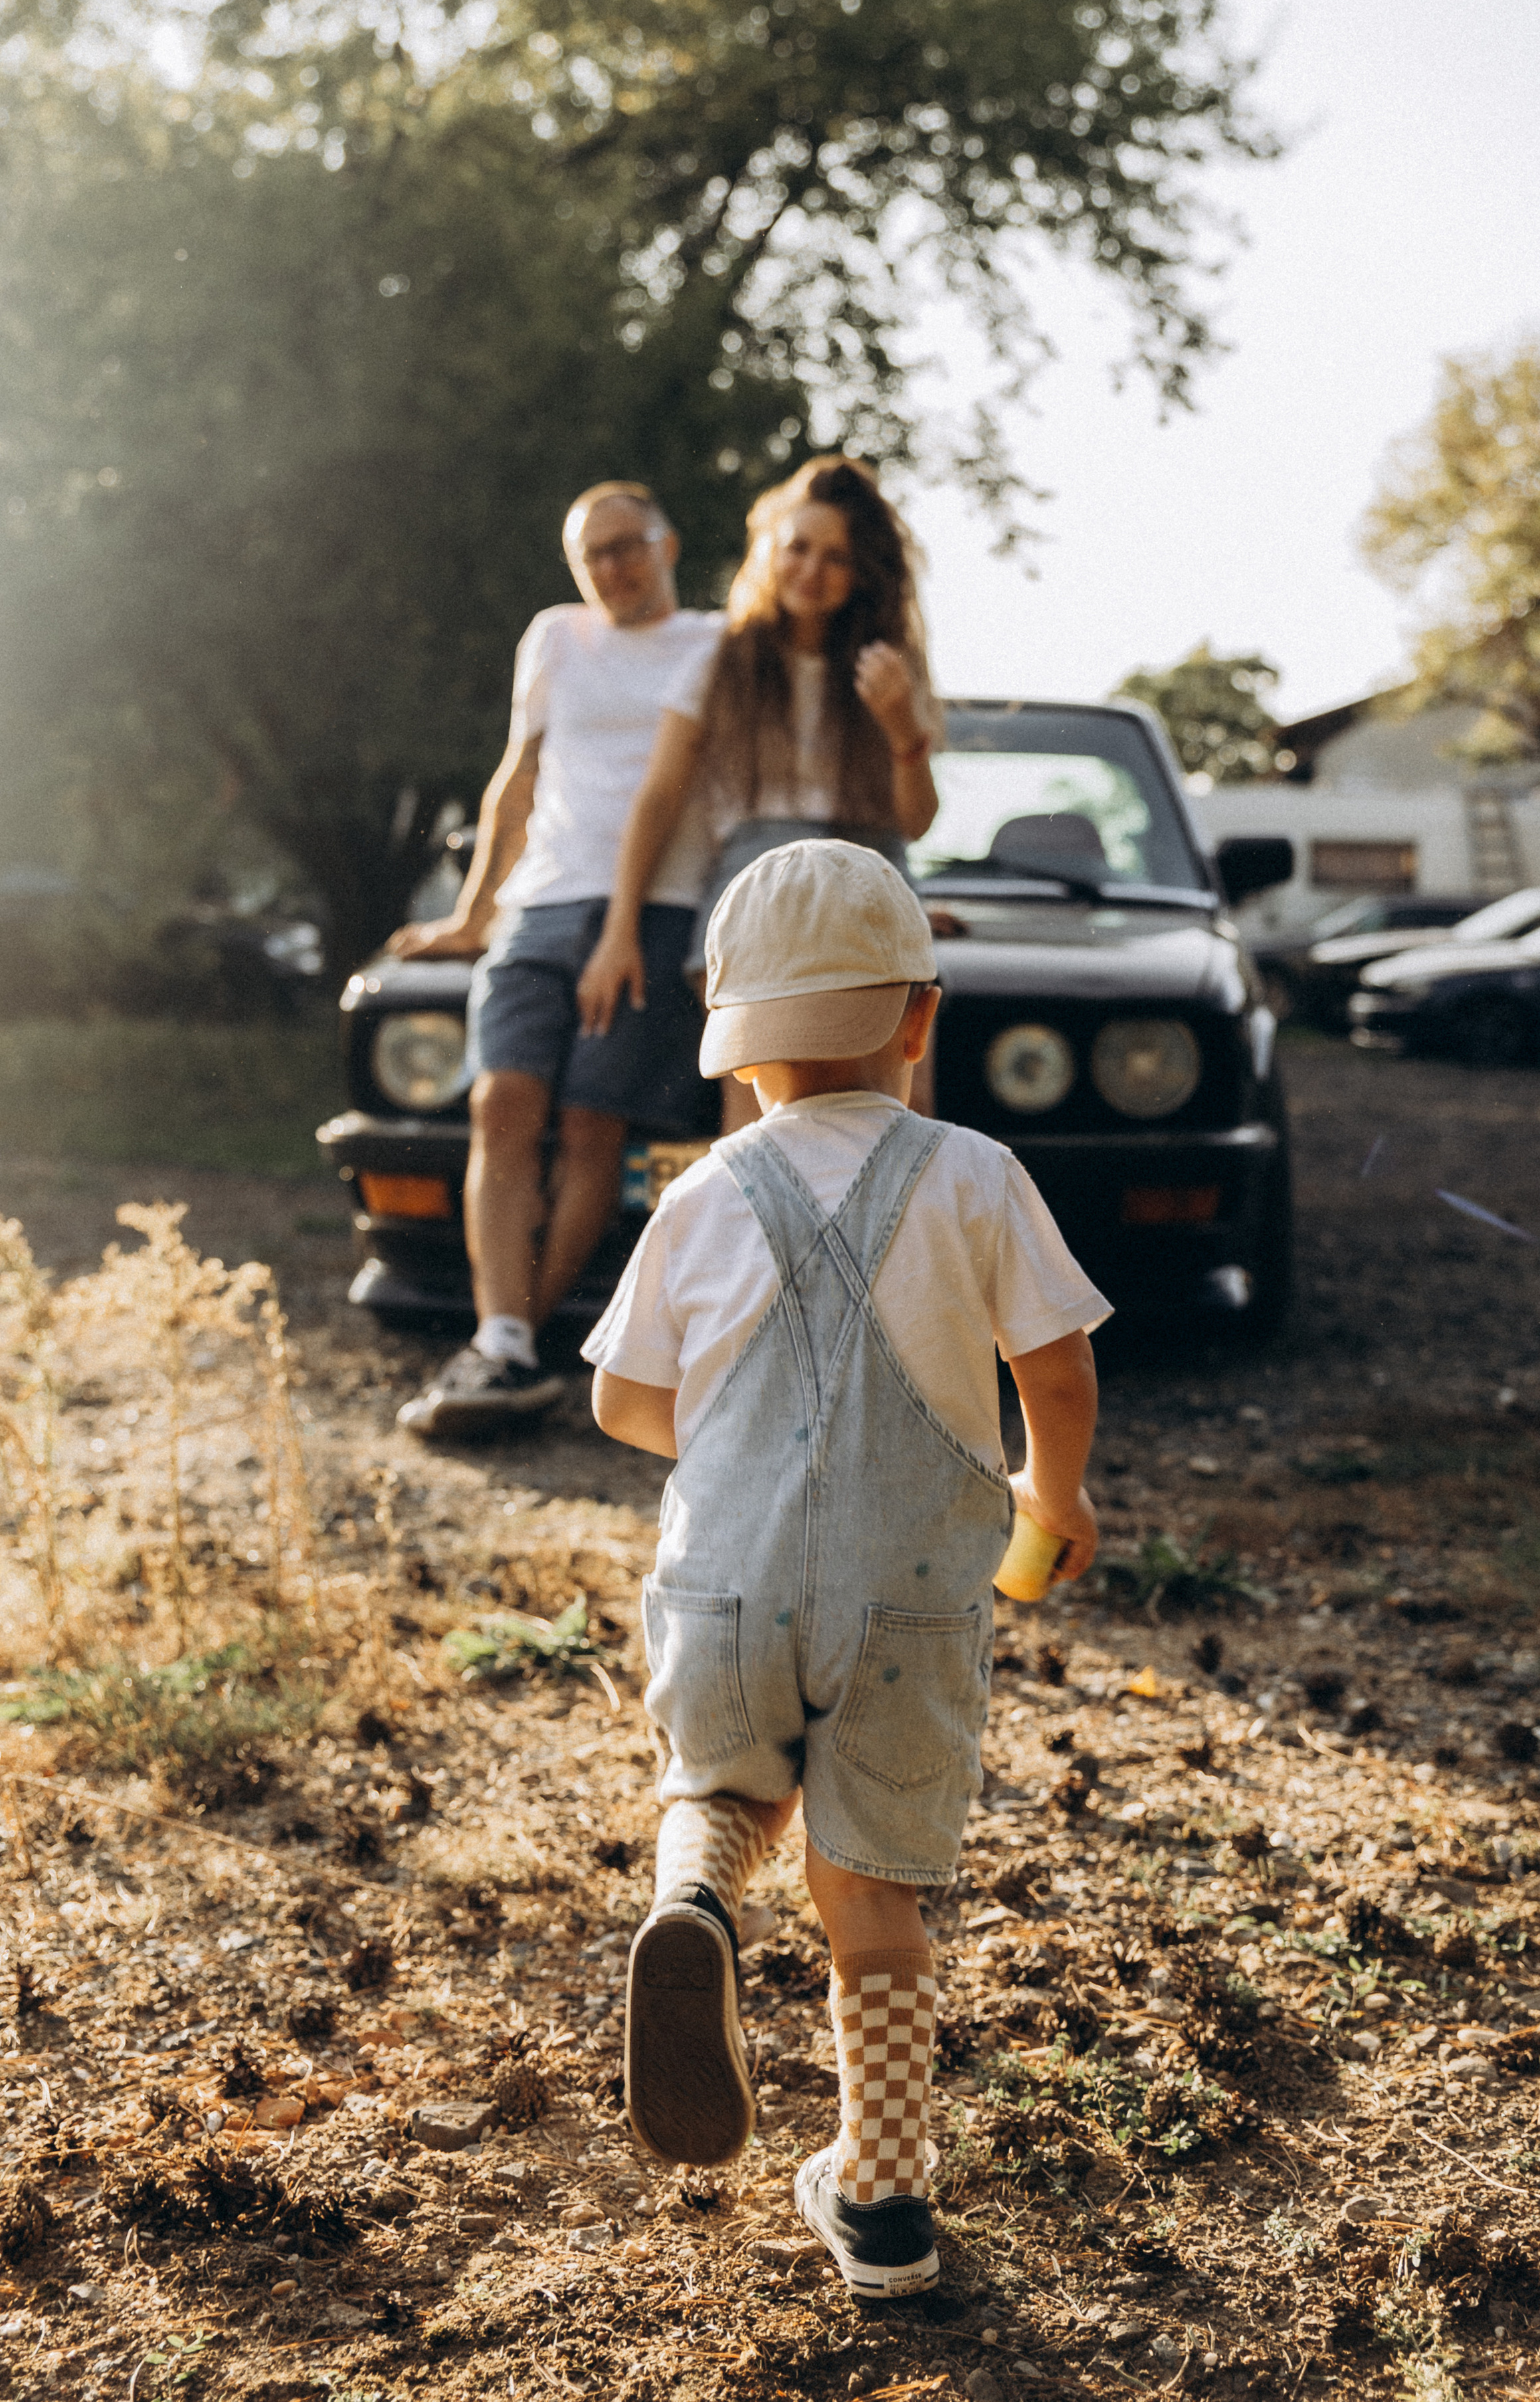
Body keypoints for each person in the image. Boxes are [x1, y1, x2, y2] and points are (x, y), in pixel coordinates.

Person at [584, 839, 1108, 2296]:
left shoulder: (698, 1197)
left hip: (727, 1588)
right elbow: (1055, 1374)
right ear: (919, 1019)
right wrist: (1045, 1503)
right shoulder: (974, 1175)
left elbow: (622, 1404)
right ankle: (881, 2199)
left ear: (734, 1054)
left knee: (726, 1784)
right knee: (870, 1888)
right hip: (913, 1600)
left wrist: (742, 1436)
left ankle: (692, 1903)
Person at [387, 483, 722, 1439]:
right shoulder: (554, 637)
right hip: (541, 902)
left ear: (667, 543)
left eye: (628, 547)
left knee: (590, 1129)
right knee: (501, 1104)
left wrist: (623, 929)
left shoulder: (711, 641)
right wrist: (468, 914)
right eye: (593, 555)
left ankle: (504, 1347)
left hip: (652, 907)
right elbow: (517, 776)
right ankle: (506, 1343)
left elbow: (677, 788)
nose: (613, 567)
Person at [575, 455, 945, 1132]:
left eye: (835, 557)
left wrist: (903, 730)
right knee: (759, 1121)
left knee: (903, 1112)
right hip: (755, 884)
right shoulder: (720, 660)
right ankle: (757, 1241)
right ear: (769, 551)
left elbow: (915, 822)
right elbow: (657, 799)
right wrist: (619, 927)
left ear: (863, 571)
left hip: (873, 882)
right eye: (797, 548)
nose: (811, 570)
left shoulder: (891, 665)